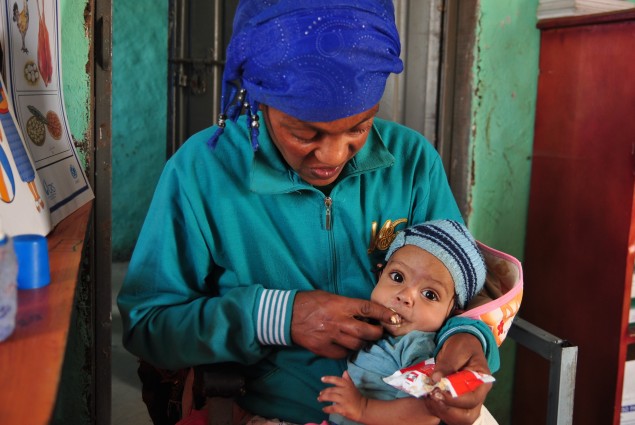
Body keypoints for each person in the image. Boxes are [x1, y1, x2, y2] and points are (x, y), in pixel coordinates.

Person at [117, 1, 504, 424]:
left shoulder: (412, 162)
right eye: (305, 133)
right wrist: (279, 316)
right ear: (260, 99)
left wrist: (469, 336)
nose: (333, 155)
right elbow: (148, 324)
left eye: (359, 127)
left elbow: (462, 285)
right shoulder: (203, 173)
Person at [318, 220, 499, 425]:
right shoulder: (368, 326)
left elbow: (427, 413)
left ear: (451, 311)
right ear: (379, 275)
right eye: (397, 277)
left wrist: (363, 408)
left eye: (429, 294)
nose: (405, 296)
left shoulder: (416, 345)